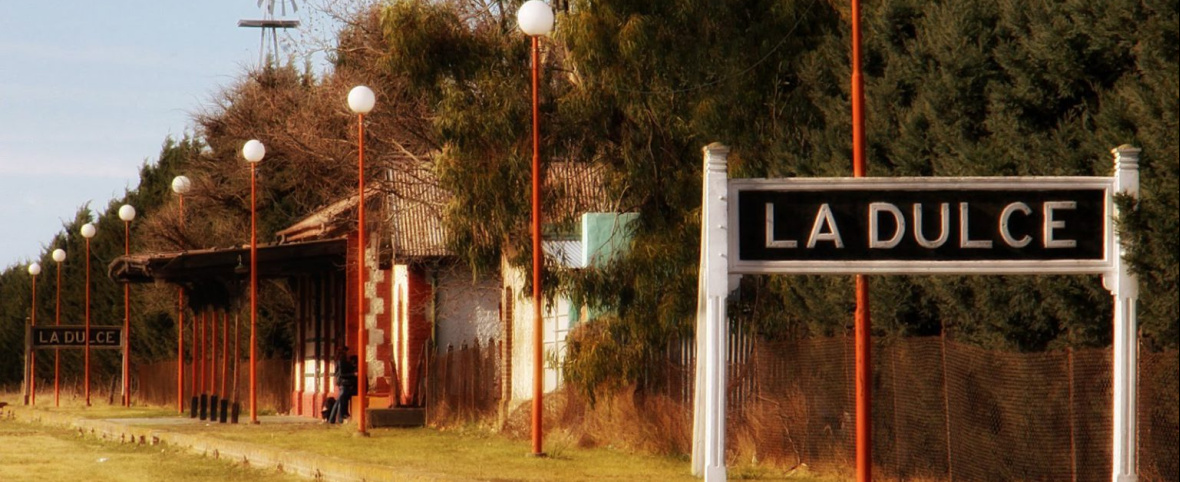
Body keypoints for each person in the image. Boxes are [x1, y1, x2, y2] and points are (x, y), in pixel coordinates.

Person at [329, 347, 358, 423]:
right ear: (344, 352)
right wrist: (353, 374)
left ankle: (332, 419)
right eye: (348, 352)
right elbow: (341, 374)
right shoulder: (341, 361)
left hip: (343, 383)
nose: (349, 353)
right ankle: (339, 418)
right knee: (341, 401)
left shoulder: (341, 361)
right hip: (344, 383)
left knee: (339, 401)